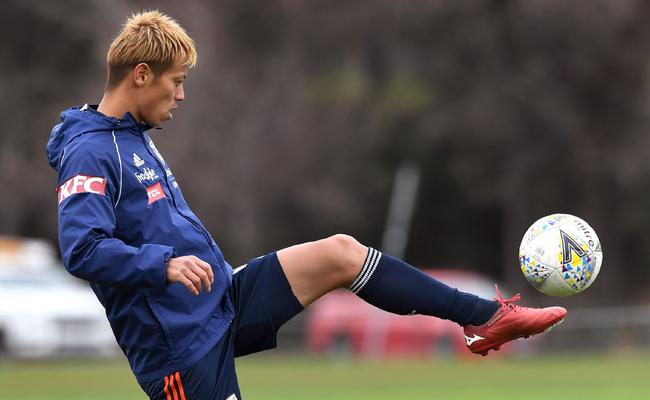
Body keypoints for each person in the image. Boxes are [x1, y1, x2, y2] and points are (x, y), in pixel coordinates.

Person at [47, 10, 566, 400]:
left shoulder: (134, 135)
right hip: (181, 352)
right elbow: (83, 249)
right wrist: (163, 264)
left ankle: (484, 318)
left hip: (221, 300)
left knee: (341, 253)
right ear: (141, 74)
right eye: (176, 82)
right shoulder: (92, 151)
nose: (181, 96)